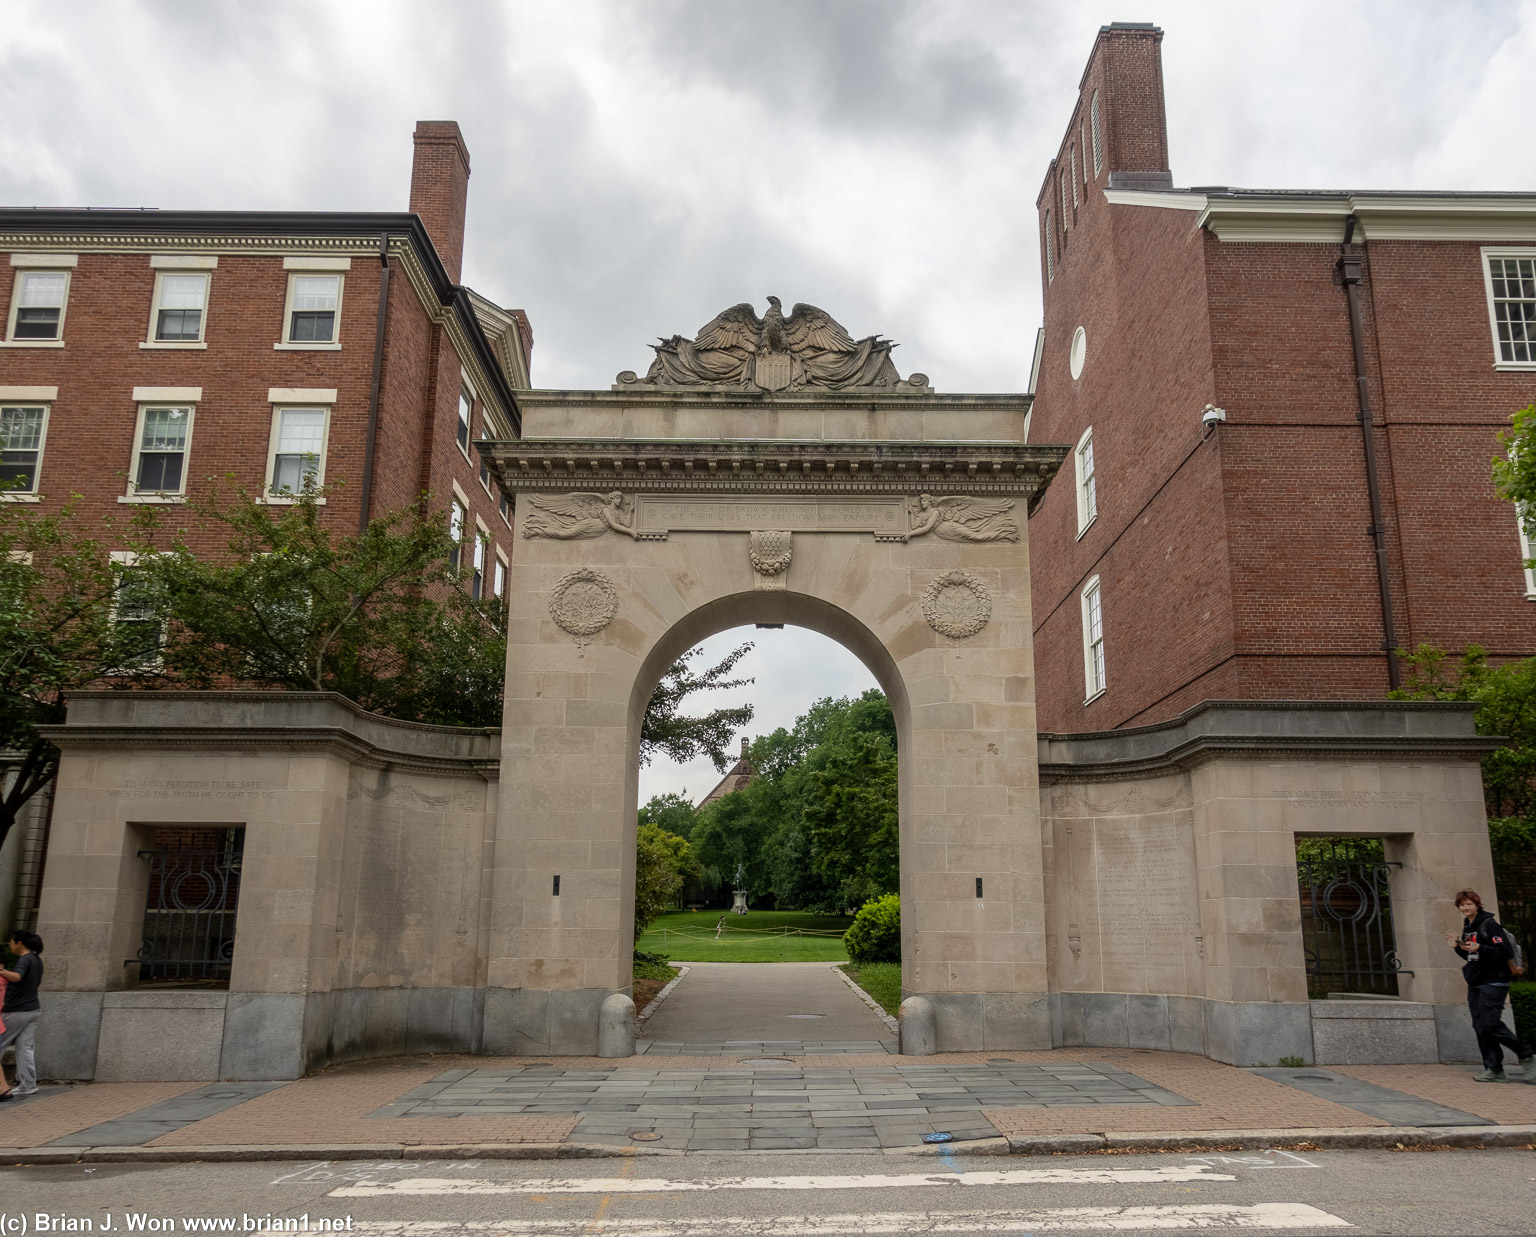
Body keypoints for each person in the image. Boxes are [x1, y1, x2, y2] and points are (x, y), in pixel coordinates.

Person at [1445, 891, 1534, 1083]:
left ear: (1477, 904)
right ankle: (1494, 1070)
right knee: (1480, 1027)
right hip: (1476, 981)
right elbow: (1472, 956)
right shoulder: (1469, 926)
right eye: (1462, 905)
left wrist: (1480, 948)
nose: (1465, 908)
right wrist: (1458, 946)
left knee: (1489, 1023)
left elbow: (1504, 951)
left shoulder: (1489, 924)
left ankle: (1527, 1055)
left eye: (1469, 904)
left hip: (1494, 981)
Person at [0, 930, 44, 1100]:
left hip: (17, 1011)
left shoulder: (24, 959)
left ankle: (3, 1087)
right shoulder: (36, 960)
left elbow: (17, 977)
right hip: (33, 1010)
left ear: (19, 943)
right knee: (25, 1047)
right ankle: (28, 1084)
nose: (10, 945)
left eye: (11, 942)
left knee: (1, 1044)